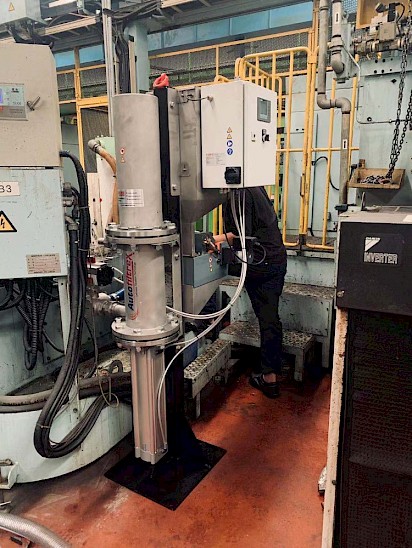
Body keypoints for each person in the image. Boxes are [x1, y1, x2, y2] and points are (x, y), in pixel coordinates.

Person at [214, 187, 287, 398]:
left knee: (268, 319)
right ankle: (271, 374)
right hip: (276, 258)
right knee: (270, 319)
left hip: (259, 262)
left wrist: (211, 240)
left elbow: (240, 234)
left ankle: (269, 377)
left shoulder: (239, 193)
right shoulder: (256, 186)